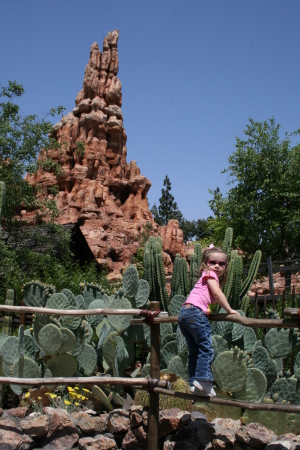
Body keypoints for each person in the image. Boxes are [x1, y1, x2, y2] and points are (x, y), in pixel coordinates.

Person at [178, 245, 240, 397]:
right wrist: (229, 310)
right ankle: (204, 382)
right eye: (213, 262)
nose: (217, 266)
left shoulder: (205, 278)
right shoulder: (210, 275)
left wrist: (207, 309)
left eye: (221, 263)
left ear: (226, 266)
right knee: (206, 348)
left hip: (185, 313)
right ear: (206, 264)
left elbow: (202, 297)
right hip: (195, 313)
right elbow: (217, 295)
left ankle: (194, 383)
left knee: (194, 351)